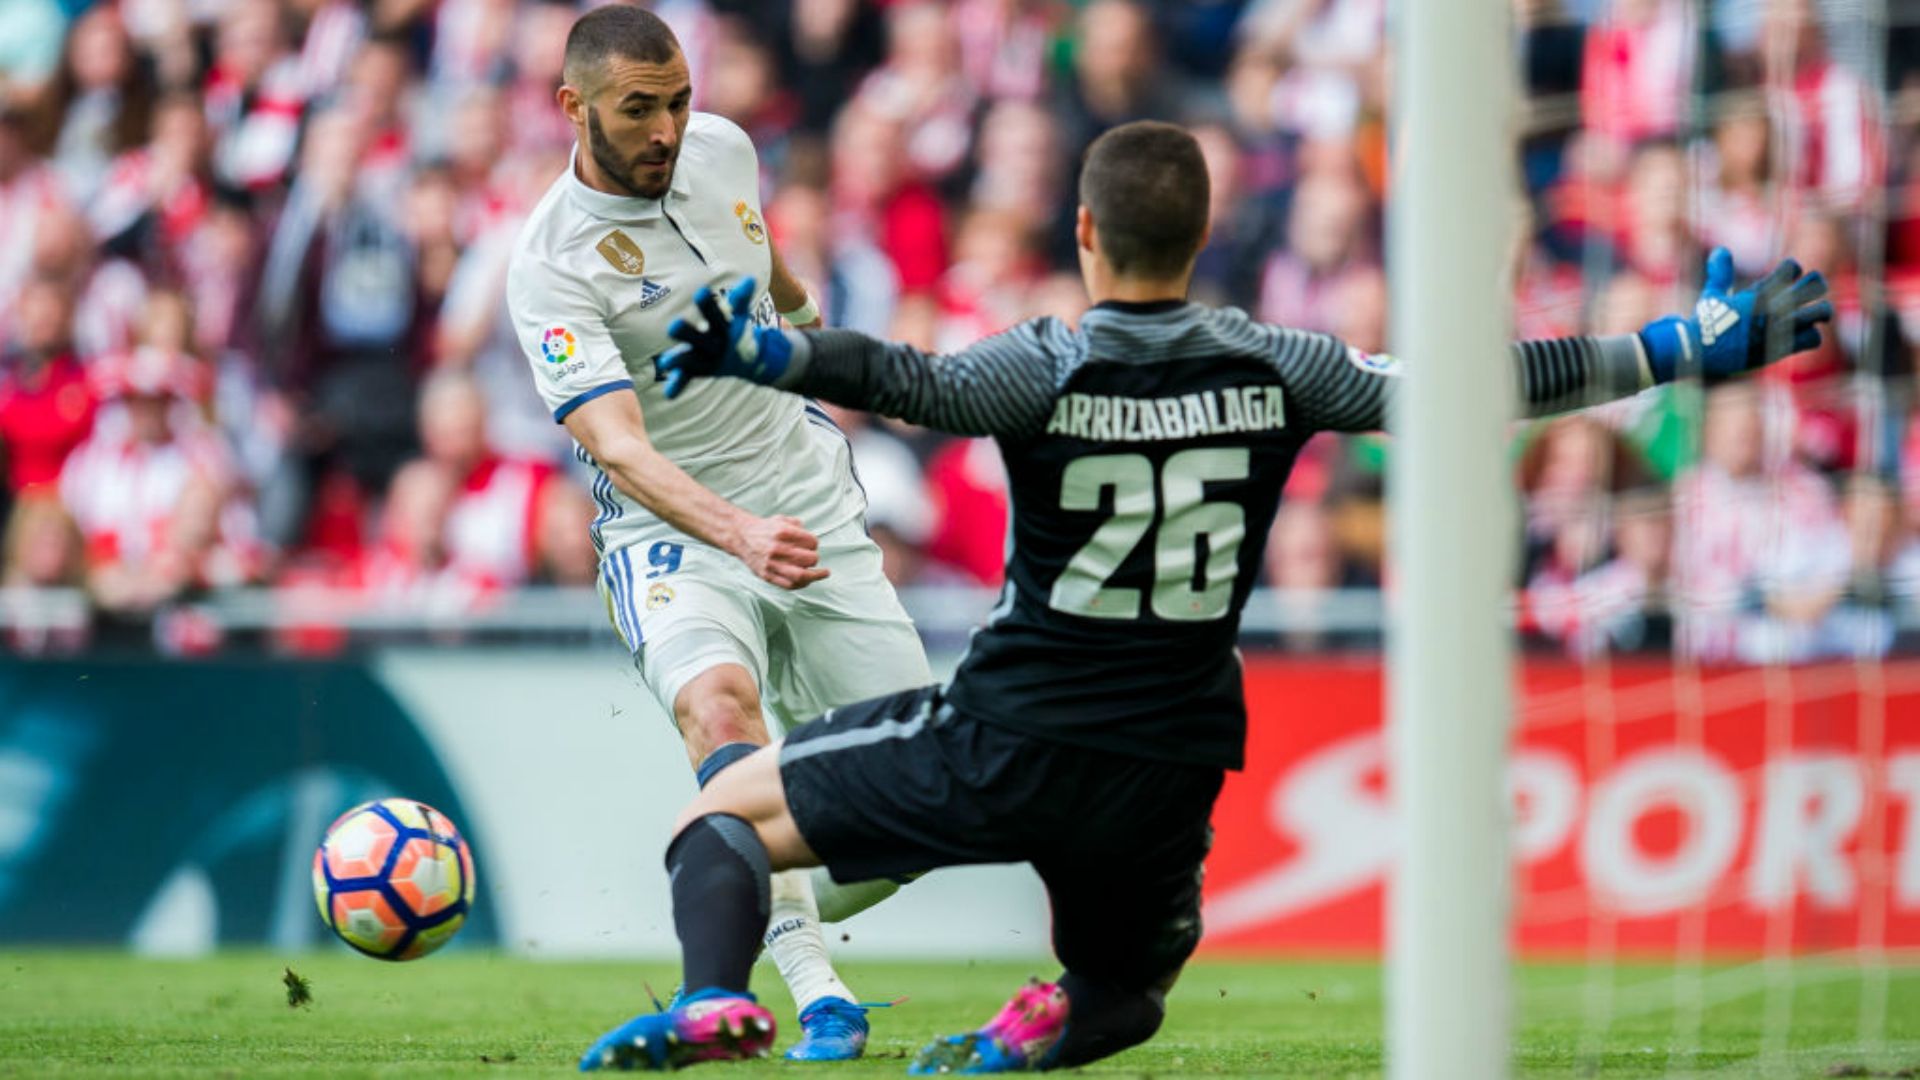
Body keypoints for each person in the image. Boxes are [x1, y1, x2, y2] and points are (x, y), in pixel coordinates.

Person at [586, 120, 1834, 1072]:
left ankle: (712, 1001)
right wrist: (1681, 345)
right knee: (1129, 992)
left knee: (718, 822)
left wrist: (773, 351)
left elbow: (906, 379)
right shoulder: (1280, 364)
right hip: (1168, 766)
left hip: (1010, 736)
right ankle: (1034, 1033)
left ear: (1086, 232)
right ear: (1200, 232)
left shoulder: (1045, 364)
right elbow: (1472, 381)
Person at [503, 7, 931, 1062]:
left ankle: (732, 881)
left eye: (679, 101)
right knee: (719, 709)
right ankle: (784, 997)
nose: (666, 129)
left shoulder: (724, 147)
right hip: (675, 530)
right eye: (637, 109)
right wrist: (736, 534)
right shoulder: (550, 264)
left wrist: (804, 318)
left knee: (914, 807)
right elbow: (618, 448)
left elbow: (755, 251)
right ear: (573, 108)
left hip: (808, 498)